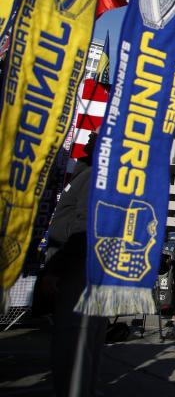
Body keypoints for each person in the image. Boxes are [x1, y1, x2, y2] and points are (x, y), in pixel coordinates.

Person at [39, 132, 108, 397]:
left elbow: (82, 226)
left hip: (79, 270)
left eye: (95, 137)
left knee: (73, 343)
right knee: (83, 344)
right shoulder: (86, 173)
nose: (89, 139)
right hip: (84, 268)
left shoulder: (93, 176)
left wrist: (56, 269)